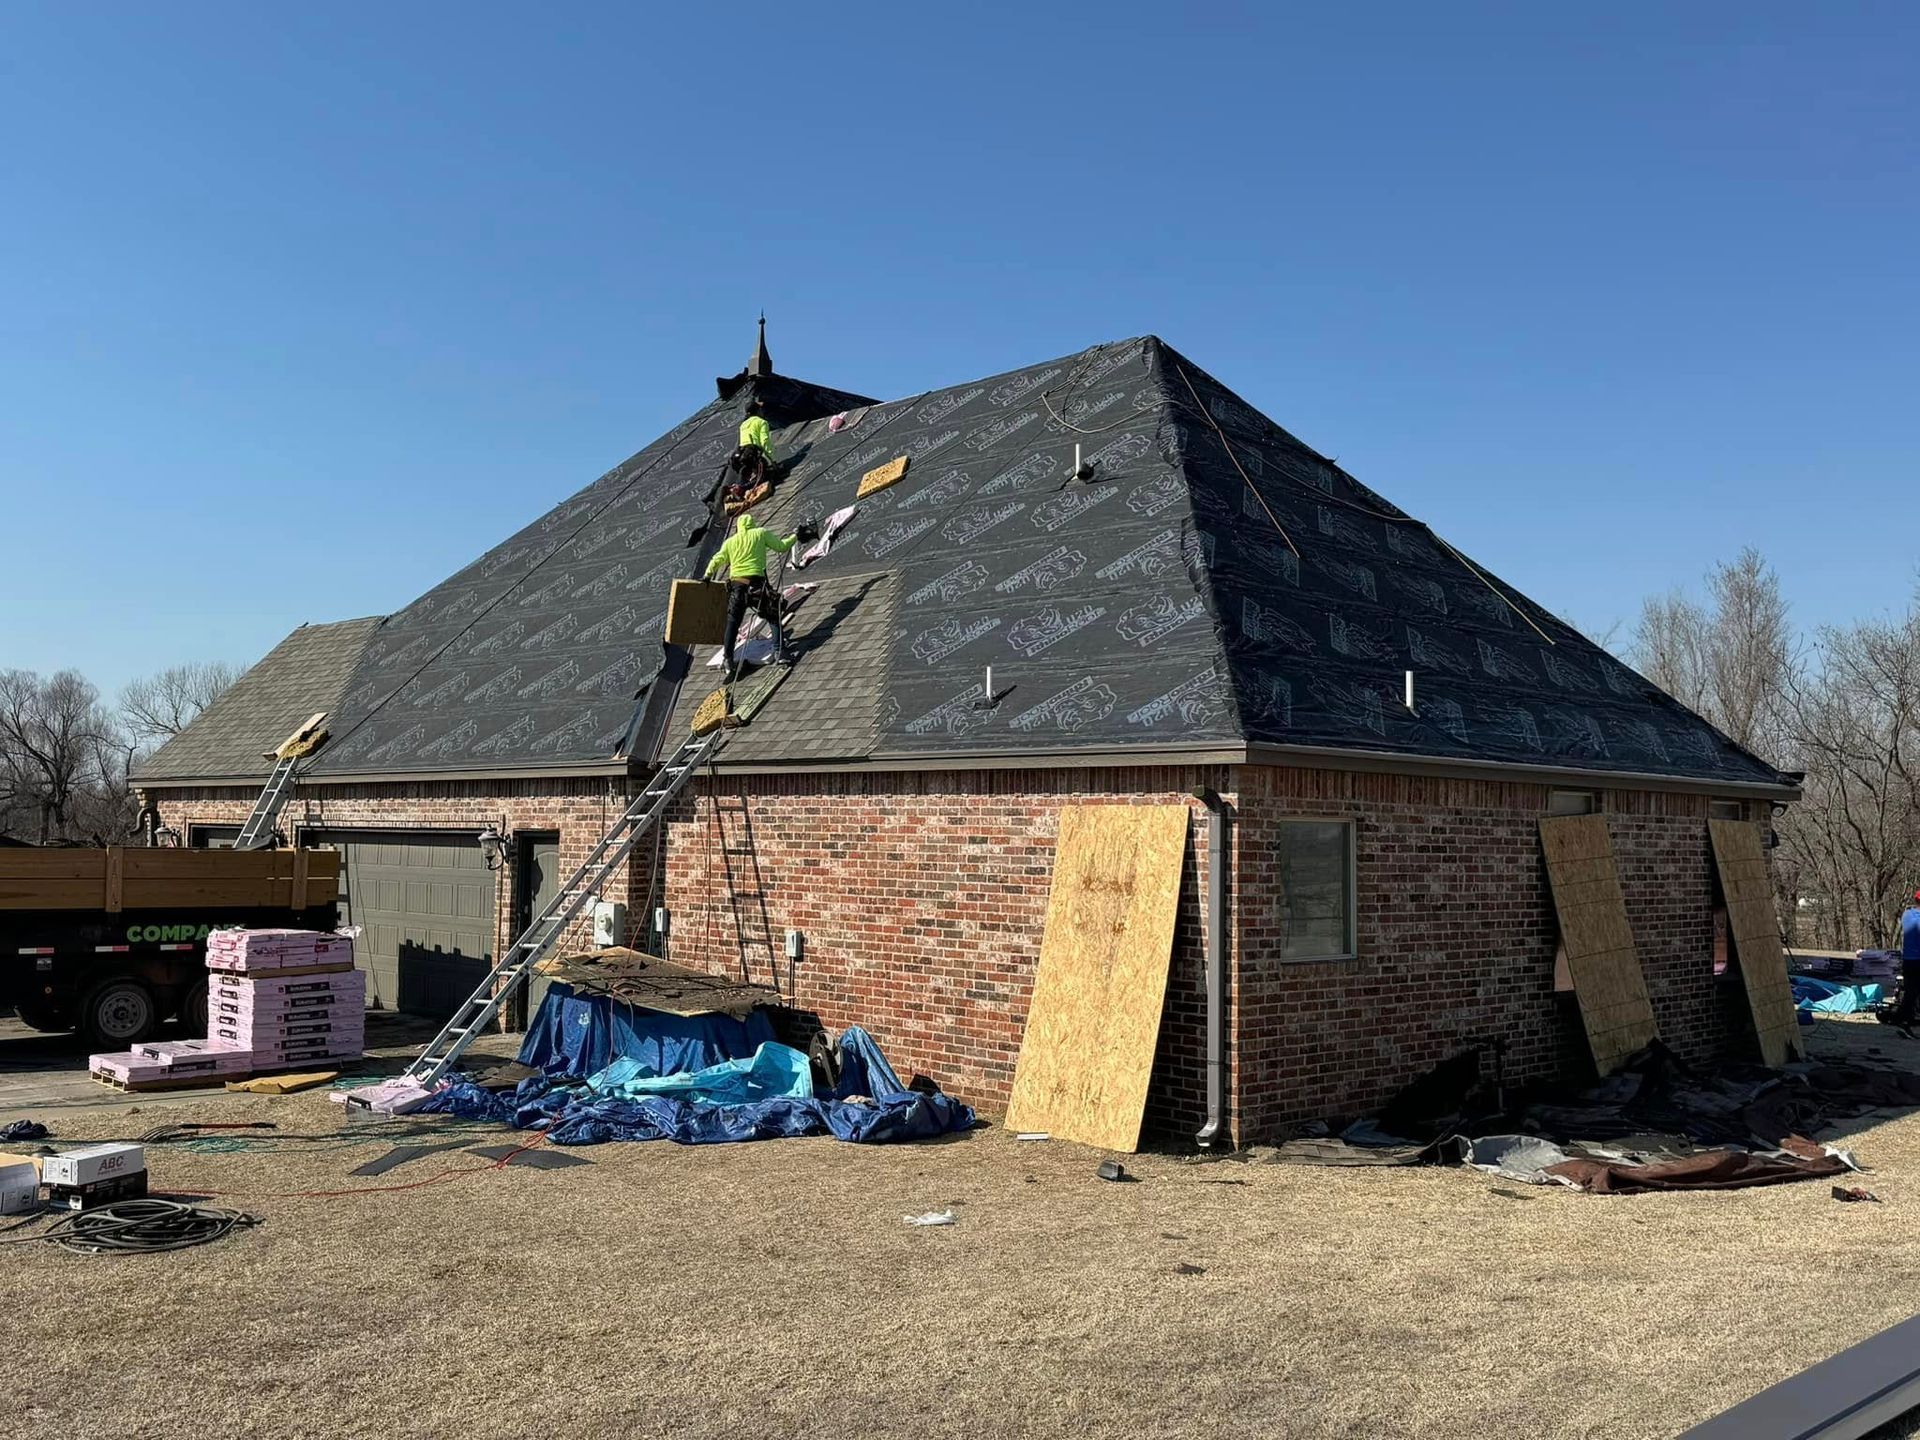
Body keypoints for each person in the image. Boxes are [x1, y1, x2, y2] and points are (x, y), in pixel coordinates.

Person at [704, 511, 799, 671]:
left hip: (737, 588)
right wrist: (796, 535)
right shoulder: (760, 533)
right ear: (752, 524)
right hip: (757, 586)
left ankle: (728, 659)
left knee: (732, 624)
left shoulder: (730, 542)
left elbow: (717, 559)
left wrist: (707, 575)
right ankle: (780, 653)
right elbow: (781, 547)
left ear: (738, 528)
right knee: (773, 615)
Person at [731, 396, 776, 494]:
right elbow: (765, 441)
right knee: (764, 476)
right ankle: (740, 488)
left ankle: (739, 486)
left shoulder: (743, 425)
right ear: (758, 410)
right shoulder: (761, 422)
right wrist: (772, 460)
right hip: (753, 455)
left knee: (746, 473)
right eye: (760, 409)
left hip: (741, 456)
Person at [1891, 890, 1920, 1034]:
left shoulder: (1907, 915)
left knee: (1910, 991)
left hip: (1908, 959)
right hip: (1918, 960)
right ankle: (1904, 1019)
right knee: (1912, 993)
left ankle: (1903, 1017)